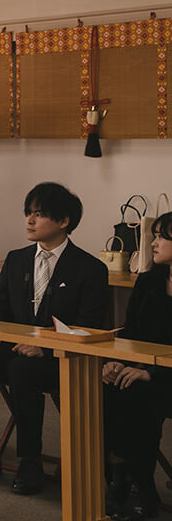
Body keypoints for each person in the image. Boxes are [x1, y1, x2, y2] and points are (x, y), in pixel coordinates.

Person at [0, 182, 108, 495]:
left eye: (39, 214)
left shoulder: (90, 268)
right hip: (14, 348)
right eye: (28, 213)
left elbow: (89, 325)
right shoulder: (16, 259)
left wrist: (46, 347)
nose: (30, 221)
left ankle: (30, 459)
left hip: (60, 356)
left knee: (24, 370)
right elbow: (0, 310)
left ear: (64, 222)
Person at [101, 210, 172, 520]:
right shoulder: (149, 280)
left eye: (160, 236)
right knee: (112, 385)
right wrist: (114, 361)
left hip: (162, 375)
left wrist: (150, 372)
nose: (153, 243)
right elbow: (130, 333)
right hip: (146, 371)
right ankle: (119, 480)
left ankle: (140, 485)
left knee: (139, 393)